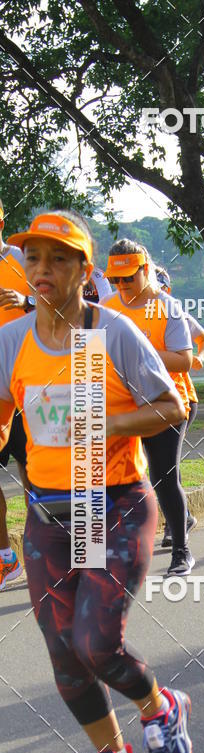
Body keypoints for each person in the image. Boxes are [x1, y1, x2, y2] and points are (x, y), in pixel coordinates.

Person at [2, 210, 192, 753]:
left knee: (97, 642)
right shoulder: (10, 339)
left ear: (85, 271)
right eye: (33, 258)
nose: (42, 270)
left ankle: (159, 706)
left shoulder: (111, 332)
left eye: (58, 258)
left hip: (114, 504)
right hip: (49, 514)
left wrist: (106, 423)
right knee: (63, 654)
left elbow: (170, 407)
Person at [103, 242, 195, 575]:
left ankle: (181, 552)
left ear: (145, 270)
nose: (122, 286)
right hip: (121, 408)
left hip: (163, 406)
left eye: (128, 278)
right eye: (115, 280)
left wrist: (138, 358)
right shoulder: (106, 308)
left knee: (163, 477)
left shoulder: (166, 307)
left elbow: (184, 358)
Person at [155, 266, 204, 547]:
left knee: (166, 469)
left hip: (182, 400)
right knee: (157, 469)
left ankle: (175, 525)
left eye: (164, 289)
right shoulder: (125, 314)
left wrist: (198, 358)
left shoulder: (173, 311)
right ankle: (183, 517)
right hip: (145, 402)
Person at [0, 199, 34, 588]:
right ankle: (6, 558)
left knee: (34, 475)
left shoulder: (24, 260)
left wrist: (25, 302)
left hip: (29, 382)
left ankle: (38, 549)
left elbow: (66, 304)